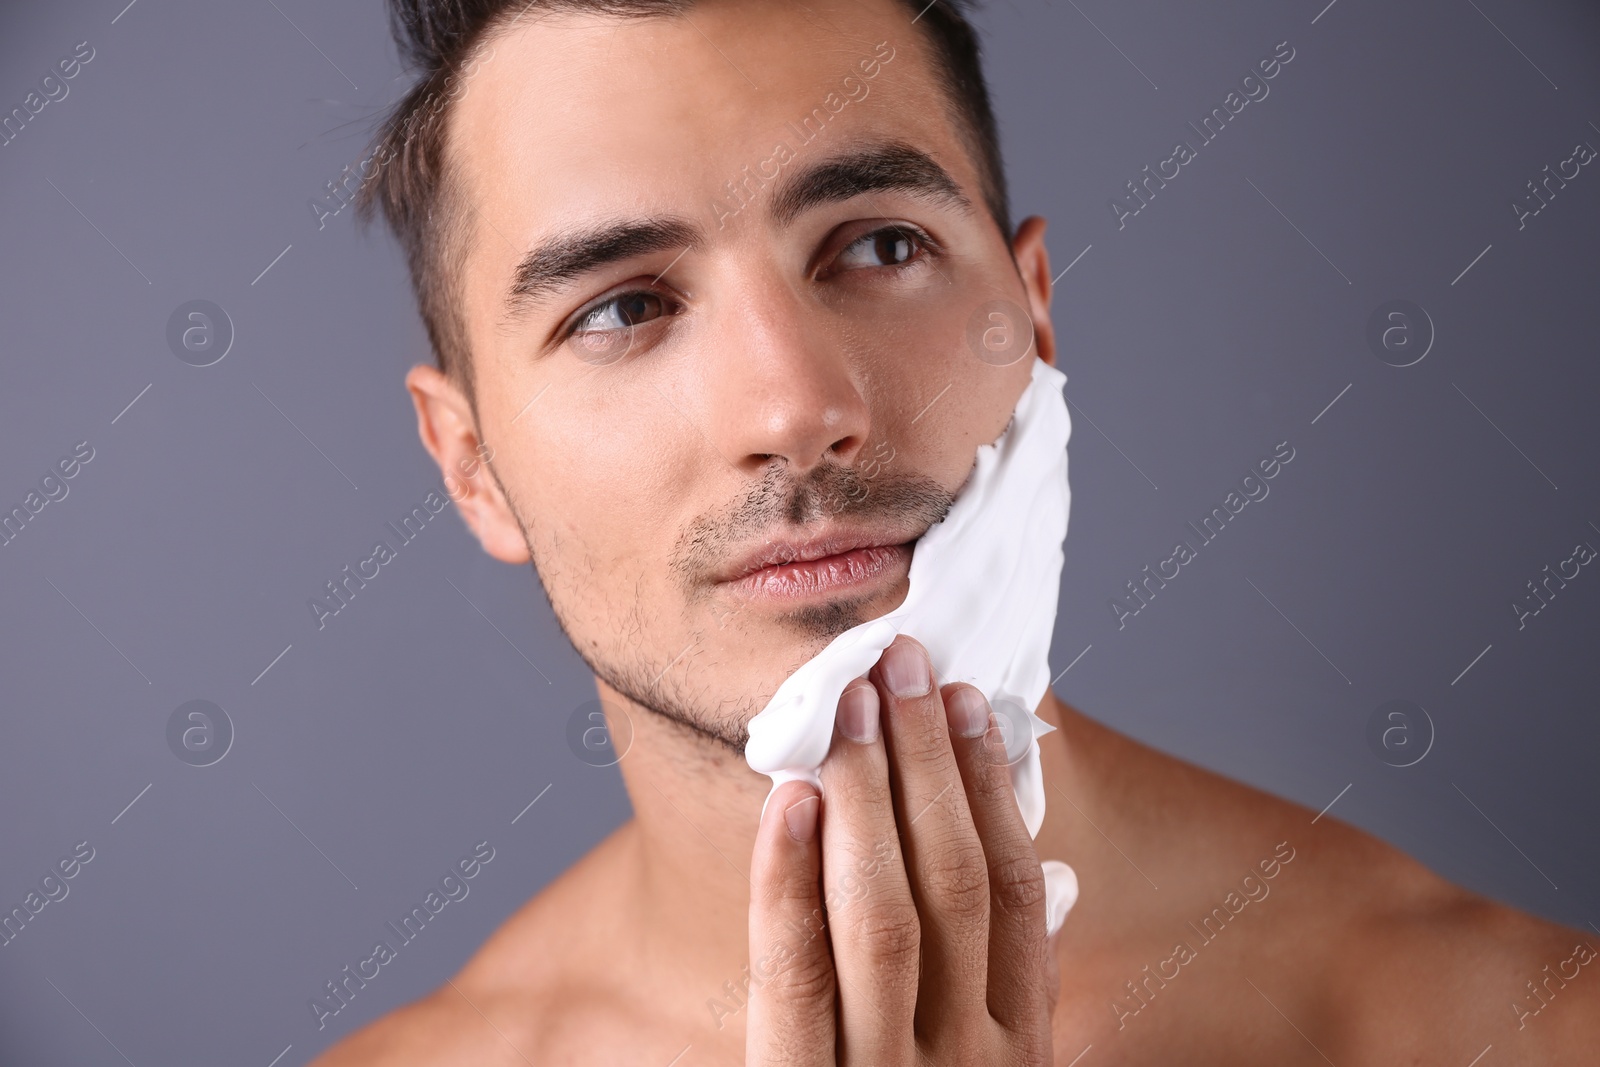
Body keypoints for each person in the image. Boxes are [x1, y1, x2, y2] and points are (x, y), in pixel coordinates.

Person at [313, 0, 1599, 1061]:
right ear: (473, 466)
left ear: (1032, 323)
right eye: (620, 309)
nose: (796, 407)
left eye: (878, 244)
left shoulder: (1508, 1027)